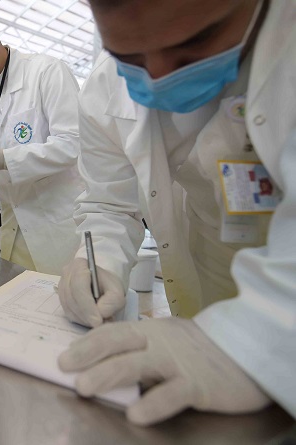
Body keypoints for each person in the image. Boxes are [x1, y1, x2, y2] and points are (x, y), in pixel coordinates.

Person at [58, 0, 295, 426]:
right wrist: (100, 263)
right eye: (129, 57)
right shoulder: (104, 89)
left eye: (196, 42)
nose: (159, 76)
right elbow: (109, 204)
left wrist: (259, 338)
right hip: (202, 273)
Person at [0, 8, 84, 275]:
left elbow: (73, 144)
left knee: (57, 298)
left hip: (57, 228)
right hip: (14, 228)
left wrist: (5, 158)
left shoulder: (47, 72)